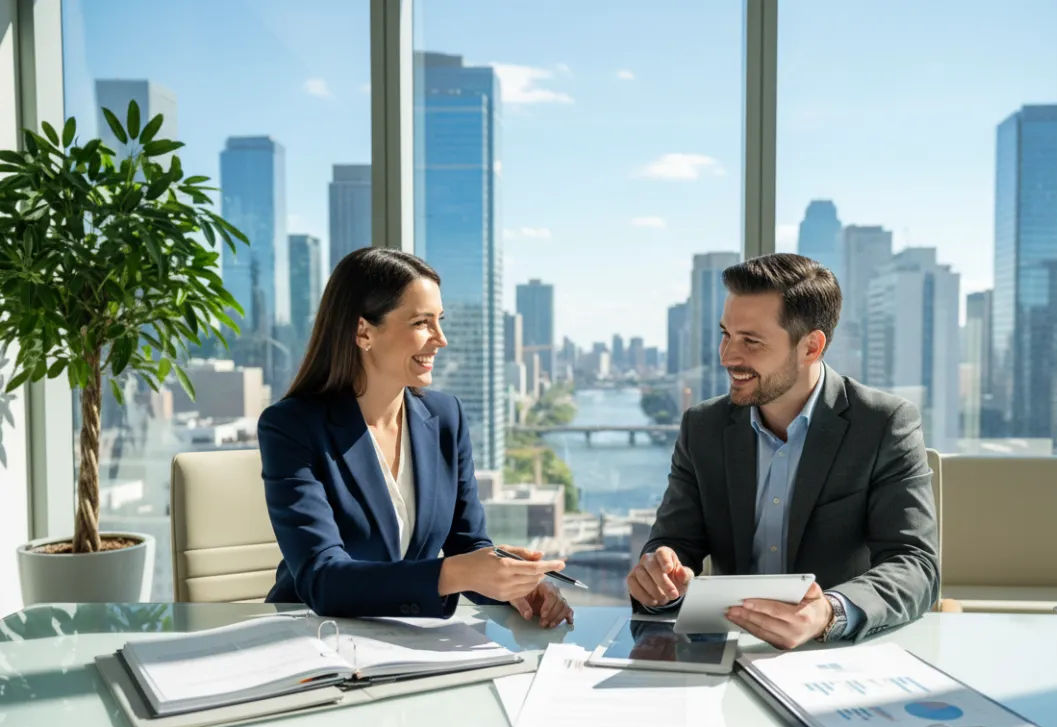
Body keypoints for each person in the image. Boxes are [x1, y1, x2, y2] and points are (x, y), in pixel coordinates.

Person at [626, 253, 938, 649]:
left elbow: (916, 565)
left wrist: (828, 612)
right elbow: (675, 543)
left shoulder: (883, 424)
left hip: (838, 651)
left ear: (810, 347)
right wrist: (661, 570)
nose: (727, 356)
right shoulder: (702, 428)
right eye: (726, 334)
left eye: (750, 341)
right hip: (730, 652)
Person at [260, 247, 573, 627]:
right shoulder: (291, 427)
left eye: (440, 321)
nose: (440, 339)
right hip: (313, 640)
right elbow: (321, 578)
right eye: (422, 323)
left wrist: (511, 584)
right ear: (363, 331)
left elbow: (467, 544)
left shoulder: (445, 418)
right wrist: (460, 573)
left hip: (409, 640)